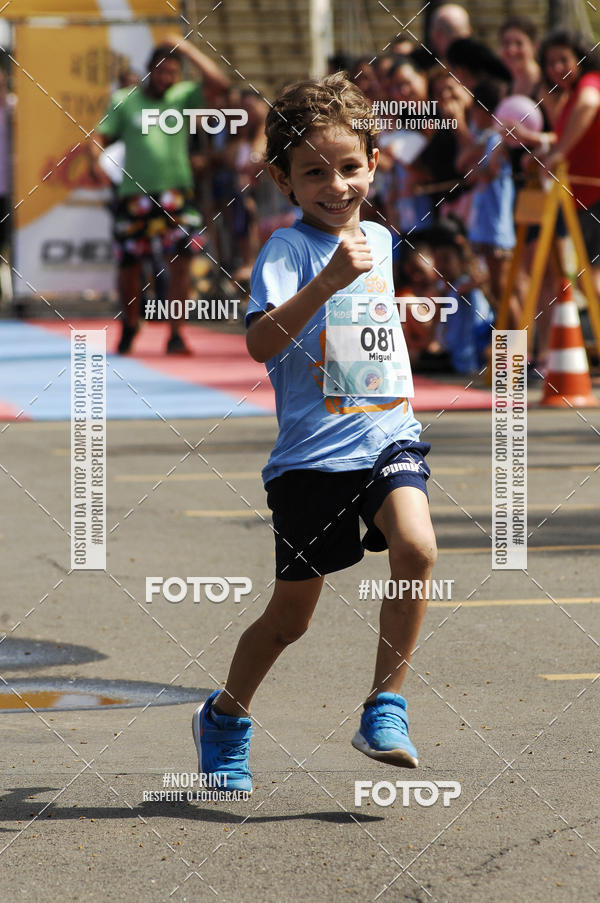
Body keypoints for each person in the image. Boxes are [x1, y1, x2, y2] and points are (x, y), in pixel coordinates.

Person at [192, 72, 437, 792]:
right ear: (283, 179)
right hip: (311, 459)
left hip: (388, 436)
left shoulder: (382, 240)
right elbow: (261, 343)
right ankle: (225, 716)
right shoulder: (286, 250)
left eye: (350, 167)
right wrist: (325, 283)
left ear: (375, 163)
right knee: (290, 619)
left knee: (418, 548)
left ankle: (385, 706)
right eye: (314, 173)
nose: (336, 186)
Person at [90, 35, 229, 354]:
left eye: (173, 73)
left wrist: (188, 47)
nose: (166, 78)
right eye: (161, 71)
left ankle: (176, 333)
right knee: (129, 264)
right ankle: (129, 325)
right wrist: (97, 160)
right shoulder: (124, 100)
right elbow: (100, 136)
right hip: (133, 194)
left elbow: (220, 83)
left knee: (180, 262)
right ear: (150, 69)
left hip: (175, 194)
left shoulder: (182, 96)